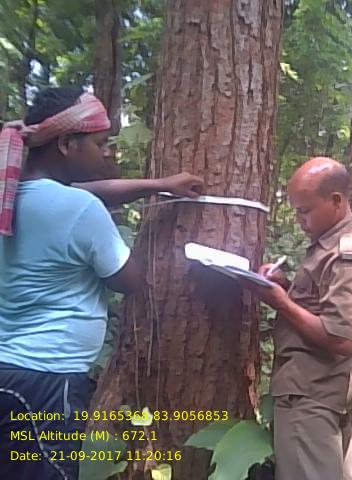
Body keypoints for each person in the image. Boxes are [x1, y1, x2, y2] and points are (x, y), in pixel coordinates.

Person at [0, 87, 204, 480]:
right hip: (49, 382)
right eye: (99, 143)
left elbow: (88, 195)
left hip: (10, 371)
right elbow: (128, 280)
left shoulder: (10, 195)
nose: (106, 152)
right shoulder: (78, 209)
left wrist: (159, 185)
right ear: (66, 143)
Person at [240, 157, 352, 480]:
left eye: (305, 211)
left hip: (312, 395)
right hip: (324, 389)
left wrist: (280, 303)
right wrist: (285, 287)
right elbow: (322, 306)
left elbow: (342, 338)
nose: (299, 220)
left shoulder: (345, 255)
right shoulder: (330, 247)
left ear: (336, 200)